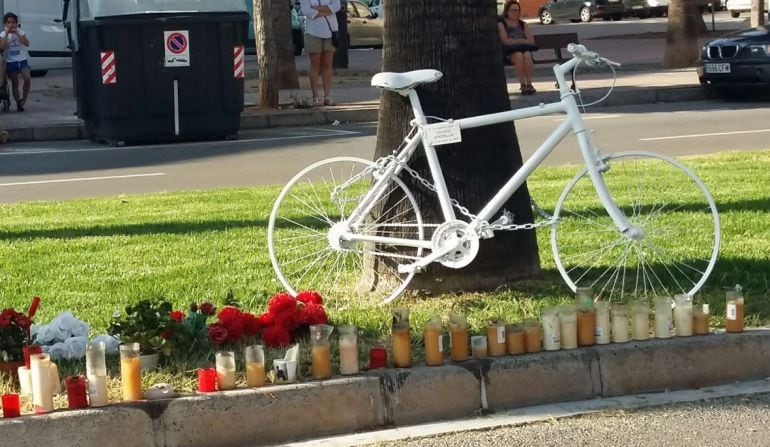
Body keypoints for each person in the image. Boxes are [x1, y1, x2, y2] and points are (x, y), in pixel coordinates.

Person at [300, 0, 340, 106]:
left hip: (330, 31)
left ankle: (327, 97)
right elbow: (306, 10)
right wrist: (326, 9)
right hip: (313, 32)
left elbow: (336, 6)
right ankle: (315, 97)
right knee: (315, 64)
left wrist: (318, 8)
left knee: (327, 64)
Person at [498, 0, 537, 95]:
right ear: (507, 11)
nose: (515, 13)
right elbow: (506, 41)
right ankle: (522, 84)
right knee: (519, 55)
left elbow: (531, 40)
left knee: (527, 55)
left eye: (517, 10)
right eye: (513, 10)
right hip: (510, 51)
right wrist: (522, 40)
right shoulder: (501, 24)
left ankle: (529, 83)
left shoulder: (523, 24)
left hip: (524, 49)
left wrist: (516, 41)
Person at [0, 12, 31, 111]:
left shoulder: (20, 32)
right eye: (9, 22)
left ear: (16, 23)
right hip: (10, 60)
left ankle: (24, 99)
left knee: (27, 78)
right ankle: (18, 103)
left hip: (21, 59)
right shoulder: (3, 34)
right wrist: (6, 35)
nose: (11, 24)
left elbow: (27, 43)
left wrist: (17, 33)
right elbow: (2, 47)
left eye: (13, 22)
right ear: (5, 24)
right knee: (14, 82)